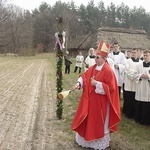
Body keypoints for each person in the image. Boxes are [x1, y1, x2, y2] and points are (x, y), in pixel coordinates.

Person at [71, 41, 120, 150]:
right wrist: (79, 83)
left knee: (98, 123)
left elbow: (111, 89)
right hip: (89, 101)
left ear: (103, 58)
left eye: (97, 57)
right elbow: (85, 76)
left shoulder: (108, 71)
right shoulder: (93, 68)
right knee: (88, 121)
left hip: (101, 104)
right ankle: (86, 139)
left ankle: (98, 141)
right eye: (96, 57)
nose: (95, 59)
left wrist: (97, 84)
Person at [122, 48, 142, 118]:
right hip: (129, 83)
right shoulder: (128, 61)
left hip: (136, 84)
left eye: (135, 52)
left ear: (138, 53)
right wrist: (136, 75)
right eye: (132, 52)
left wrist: (137, 75)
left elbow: (141, 72)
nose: (133, 53)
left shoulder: (141, 62)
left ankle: (134, 113)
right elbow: (127, 71)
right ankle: (128, 113)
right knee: (128, 99)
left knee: (135, 99)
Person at [133, 50, 150, 125]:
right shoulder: (138, 66)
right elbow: (134, 75)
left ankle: (146, 121)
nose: (145, 57)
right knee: (139, 103)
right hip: (140, 87)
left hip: (148, 88)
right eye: (145, 55)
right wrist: (140, 76)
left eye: (147, 55)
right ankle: (138, 119)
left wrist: (149, 77)